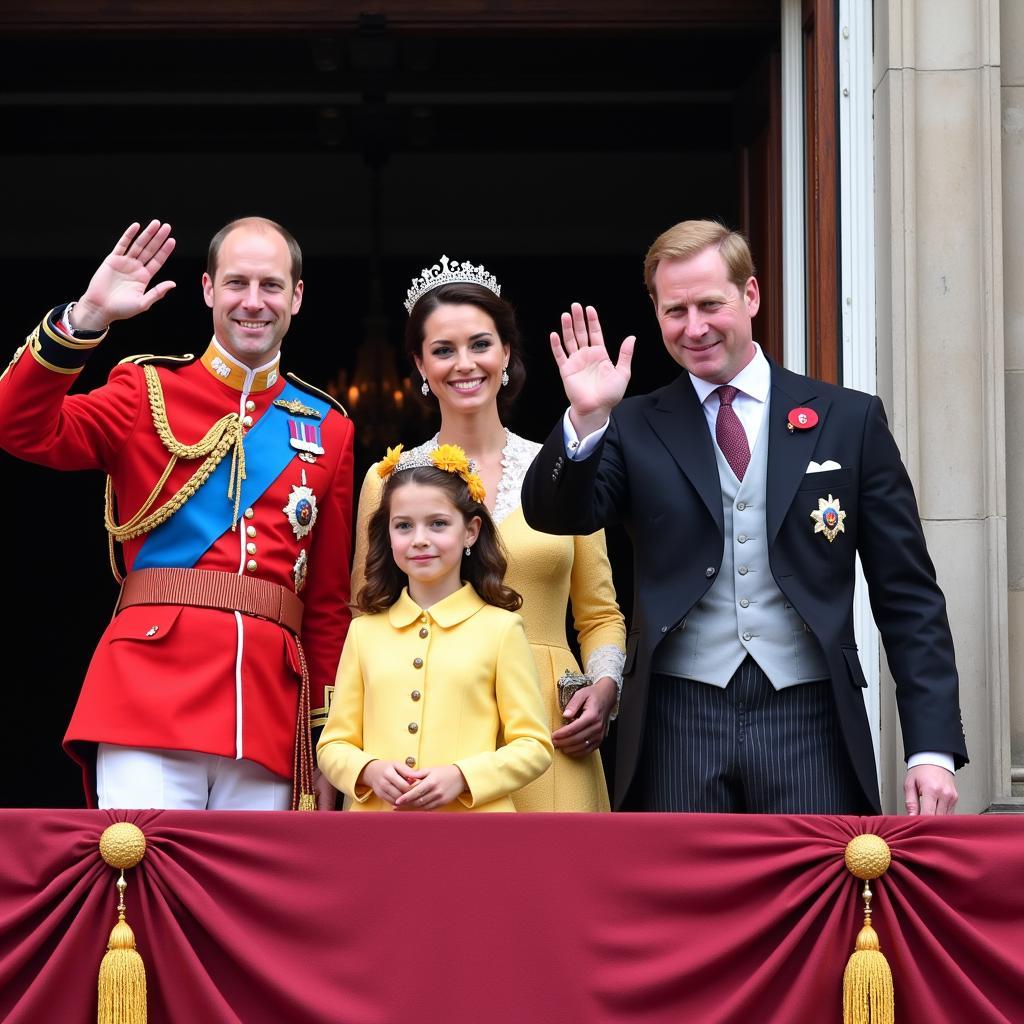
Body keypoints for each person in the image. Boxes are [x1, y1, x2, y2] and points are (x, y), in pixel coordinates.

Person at [521, 219, 968, 815]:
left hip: (810, 717)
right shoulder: (633, 425)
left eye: (711, 304)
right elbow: (556, 513)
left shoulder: (847, 420)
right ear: (656, 314)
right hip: (679, 718)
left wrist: (931, 749)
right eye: (675, 310)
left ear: (751, 296)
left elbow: (908, 596)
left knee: (813, 902)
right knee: (683, 905)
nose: (695, 327)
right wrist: (584, 419)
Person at [0, 218, 354, 810]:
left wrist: (327, 734)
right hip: (147, 696)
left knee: (249, 903)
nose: (253, 301)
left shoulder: (328, 427)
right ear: (209, 289)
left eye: (271, 285)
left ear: (295, 297)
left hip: (267, 709)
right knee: (142, 888)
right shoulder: (147, 391)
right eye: (237, 283)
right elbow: (19, 426)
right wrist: (88, 316)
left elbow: (325, 601)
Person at [350, 256, 626, 811]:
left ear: (506, 354)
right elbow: (367, 617)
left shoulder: (567, 465)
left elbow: (599, 614)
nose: (464, 364)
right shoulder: (389, 481)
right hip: (431, 731)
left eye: (480, 344)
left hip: (551, 726)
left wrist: (605, 689)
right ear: (419, 367)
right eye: (443, 350)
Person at [318, 445, 552, 811]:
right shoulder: (364, 633)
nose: (420, 539)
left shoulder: (501, 629)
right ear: (388, 533)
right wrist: (369, 769)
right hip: (377, 832)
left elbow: (534, 746)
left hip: (473, 835)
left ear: (471, 531)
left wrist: (463, 777)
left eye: (438, 523)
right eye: (404, 526)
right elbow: (333, 745)